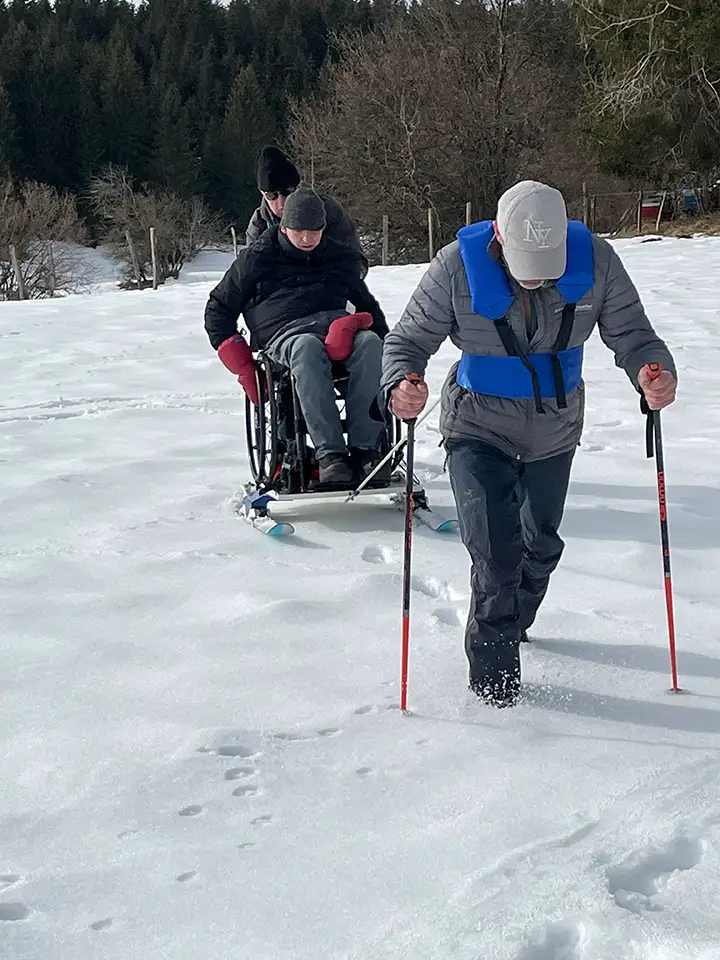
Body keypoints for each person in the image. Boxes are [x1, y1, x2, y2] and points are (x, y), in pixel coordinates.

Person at [379, 180, 677, 707]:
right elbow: (405, 341)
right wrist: (402, 381)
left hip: (555, 430)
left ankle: (514, 624)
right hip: (478, 427)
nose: (538, 275)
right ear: (498, 239)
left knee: (539, 544)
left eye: (549, 261)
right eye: (525, 261)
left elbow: (634, 336)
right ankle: (497, 698)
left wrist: (652, 373)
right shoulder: (455, 267)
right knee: (495, 557)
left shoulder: (598, 262)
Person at [205, 187, 389, 489]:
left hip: (337, 329)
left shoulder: (338, 257)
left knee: (371, 345)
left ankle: (366, 451)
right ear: (284, 226)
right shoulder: (258, 258)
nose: (306, 239)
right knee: (307, 349)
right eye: (299, 231)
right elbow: (218, 309)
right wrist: (242, 365)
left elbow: (368, 306)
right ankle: (331, 457)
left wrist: (393, 357)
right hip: (285, 333)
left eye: (314, 232)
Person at [244, 145, 368, 277]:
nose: (281, 203)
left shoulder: (329, 212)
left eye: (287, 193)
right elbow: (250, 277)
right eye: (271, 195)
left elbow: (357, 263)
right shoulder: (259, 227)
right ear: (262, 194)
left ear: (298, 187)